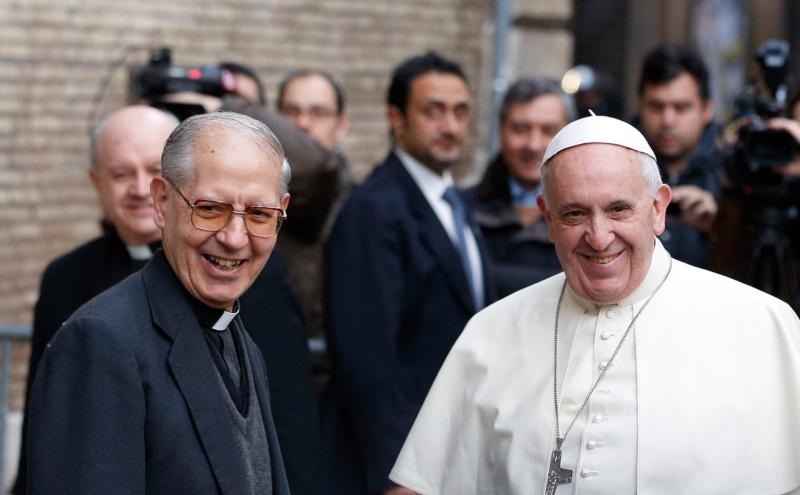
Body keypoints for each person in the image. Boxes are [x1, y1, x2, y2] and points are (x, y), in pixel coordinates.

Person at [389, 115, 800, 494]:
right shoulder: (490, 331)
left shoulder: (761, 325)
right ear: (547, 219)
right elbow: (426, 485)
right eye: (574, 214)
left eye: (619, 209)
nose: (599, 237)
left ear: (658, 208)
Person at [26, 112, 293, 494]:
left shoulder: (238, 336)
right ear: (163, 201)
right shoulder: (102, 344)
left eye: (259, 215)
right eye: (210, 209)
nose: (235, 238)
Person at [321, 51, 496, 495]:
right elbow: (367, 356)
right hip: (403, 465)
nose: (450, 126)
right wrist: (397, 471)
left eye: (460, 111)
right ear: (397, 119)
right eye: (433, 111)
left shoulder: (454, 202)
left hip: (454, 449)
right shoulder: (373, 209)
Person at [12, 105, 179, 494]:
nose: (140, 189)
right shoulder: (64, 277)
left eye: (155, 171)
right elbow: (43, 407)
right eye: (121, 174)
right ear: (96, 181)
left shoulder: (221, 270)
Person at [471, 77, 574, 297]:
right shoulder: (462, 213)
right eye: (520, 129)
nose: (533, 144)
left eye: (548, 130)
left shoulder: (592, 219)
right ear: (500, 131)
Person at [276, 69, 353, 343]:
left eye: (318, 113)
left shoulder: (351, 197)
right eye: (291, 112)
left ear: (341, 125)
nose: (303, 124)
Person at [635, 44, 723, 268]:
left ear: (707, 109)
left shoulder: (732, 170)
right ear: (641, 106)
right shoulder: (615, 161)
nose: (667, 121)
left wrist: (720, 225)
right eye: (656, 106)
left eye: (681, 108)